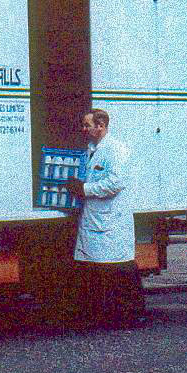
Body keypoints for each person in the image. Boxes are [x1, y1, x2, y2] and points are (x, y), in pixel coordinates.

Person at [66, 108, 145, 327]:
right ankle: (105, 315)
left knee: (120, 269)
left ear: (100, 126)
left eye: (87, 125)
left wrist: (84, 189)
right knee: (98, 269)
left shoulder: (116, 150)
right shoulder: (92, 149)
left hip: (112, 221)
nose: (83, 129)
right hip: (95, 218)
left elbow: (115, 183)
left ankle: (132, 314)